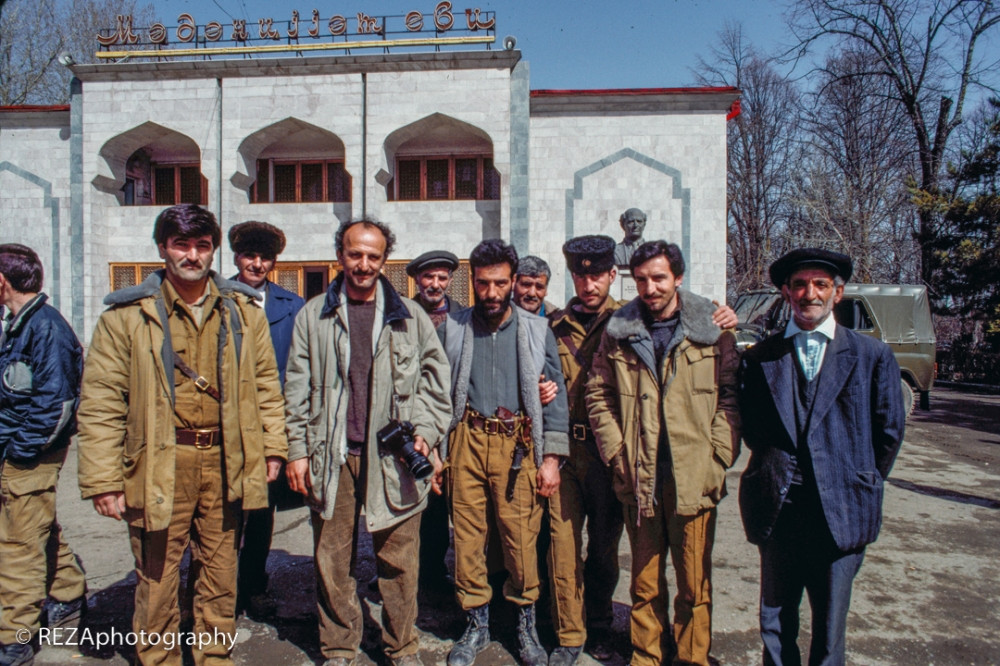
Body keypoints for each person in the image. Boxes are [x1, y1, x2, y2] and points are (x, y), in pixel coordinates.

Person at [77, 204, 288, 666]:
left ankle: (214, 656)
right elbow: (101, 403)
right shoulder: (126, 317)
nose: (192, 255)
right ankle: (159, 658)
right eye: (181, 245)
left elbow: (267, 387)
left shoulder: (242, 313)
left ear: (213, 251)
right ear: (162, 248)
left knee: (220, 570)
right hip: (159, 461)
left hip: (224, 459)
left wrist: (273, 447)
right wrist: (104, 480)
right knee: (157, 575)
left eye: (202, 246)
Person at [283, 219, 452, 666]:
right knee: (332, 562)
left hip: (394, 459)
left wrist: (427, 433)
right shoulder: (314, 315)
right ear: (340, 256)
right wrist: (297, 452)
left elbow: (437, 386)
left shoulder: (410, 317)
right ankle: (339, 647)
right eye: (354, 254)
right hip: (332, 457)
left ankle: (402, 646)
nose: (363, 264)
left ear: (384, 260)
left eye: (373, 256)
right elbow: (295, 389)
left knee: (400, 562)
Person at [737, 248, 905, 666]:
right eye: (799, 284)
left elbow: (888, 433)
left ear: (838, 292)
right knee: (775, 621)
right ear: (785, 292)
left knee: (829, 628)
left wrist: (856, 478)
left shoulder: (872, 357)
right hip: (779, 508)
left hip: (842, 509)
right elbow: (756, 431)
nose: (809, 293)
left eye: (820, 285)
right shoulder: (761, 358)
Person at [586, 240, 741, 666]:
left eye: (658, 278)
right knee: (646, 582)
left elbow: (730, 398)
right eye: (641, 280)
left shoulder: (711, 330)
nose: (650, 288)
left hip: (694, 476)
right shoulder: (619, 331)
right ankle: (646, 656)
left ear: (677, 278)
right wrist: (617, 452)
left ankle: (692, 657)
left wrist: (718, 458)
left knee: (694, 584)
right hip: (639, 476)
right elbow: (598, 394)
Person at [437, 239, 569, 666]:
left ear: (513, 282)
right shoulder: (453, 327)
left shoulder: (536, 328)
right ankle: (475, 626)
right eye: (482, 283)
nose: (491, 293)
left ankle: (525, 626)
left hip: (516, 445)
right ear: (471, 281)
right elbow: (437, 393)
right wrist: (439, 452)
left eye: (499, 283)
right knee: (469, 538)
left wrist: (551, 459)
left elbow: (556, 395)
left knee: (520, 540)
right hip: (467, 441)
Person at [0, 244, 87, 666]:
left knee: (16, 546)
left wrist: (19, 453)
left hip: (30, 455)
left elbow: (57, 403)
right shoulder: (20, 323)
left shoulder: (45, 328)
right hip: (18, 452)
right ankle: (69, 595)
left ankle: (15, 639)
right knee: (36, 527)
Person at [228, 221, 305, 618]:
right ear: (236, 258)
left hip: (271, 428)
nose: (256, 264)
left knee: (261, 514)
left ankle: (254, 586)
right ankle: (220, 593)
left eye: (264, 258)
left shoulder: (291, 307)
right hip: (226, 426)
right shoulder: (217, 299)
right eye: (249, 256)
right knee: (220, 516)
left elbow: (299, 370)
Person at [406, 250, 461, 328]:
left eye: (442, 278)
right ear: (416, 279)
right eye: (429, 277)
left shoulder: (464, 318)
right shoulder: (403, 316)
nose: (435, 285)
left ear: (449, 281)